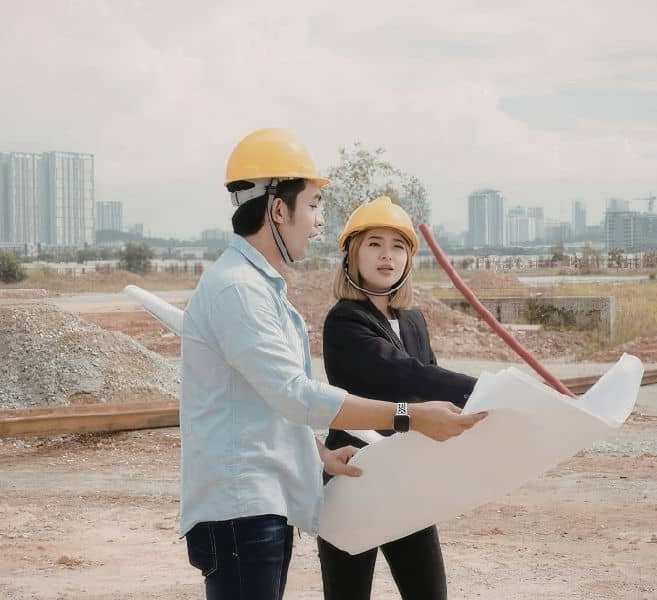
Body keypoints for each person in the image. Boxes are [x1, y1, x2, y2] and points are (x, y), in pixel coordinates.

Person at [180, 129, 486, 599]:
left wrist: (316, 453)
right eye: (314, 204)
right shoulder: (240, 290)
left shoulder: (260, 289)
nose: (319, 222)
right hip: (242, 508)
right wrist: (410, 415)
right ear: (278, 209)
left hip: (262, 503)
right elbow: (297, 395)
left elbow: (267, 402)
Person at [317, 196, 479, 600]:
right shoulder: (344, 321)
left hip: (405, 481)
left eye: (398, 246)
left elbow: (430, 378)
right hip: (354, 477)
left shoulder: (413, 319)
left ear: (408, 259)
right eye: (374, 244)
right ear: (352, 255)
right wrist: (481, 389)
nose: (387, 255)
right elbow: (408, 375)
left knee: (429, 592)